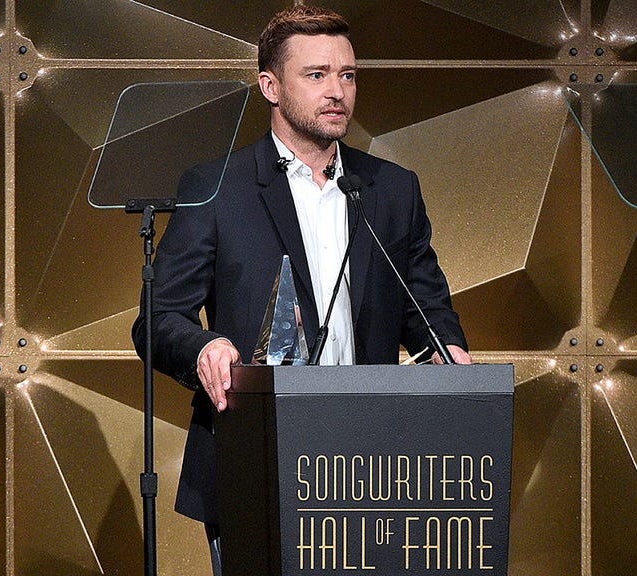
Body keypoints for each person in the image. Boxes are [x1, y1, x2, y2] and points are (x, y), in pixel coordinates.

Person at [132, 5, 471, 573]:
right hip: (258, 458)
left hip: (375, 464)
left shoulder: (392, 189)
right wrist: (205, 347)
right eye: (316, 75)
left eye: (347, 75)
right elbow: (159, 319)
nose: (337, 91)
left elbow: (425, 306)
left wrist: (447, 349)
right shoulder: (216, 188)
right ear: (271, 86)